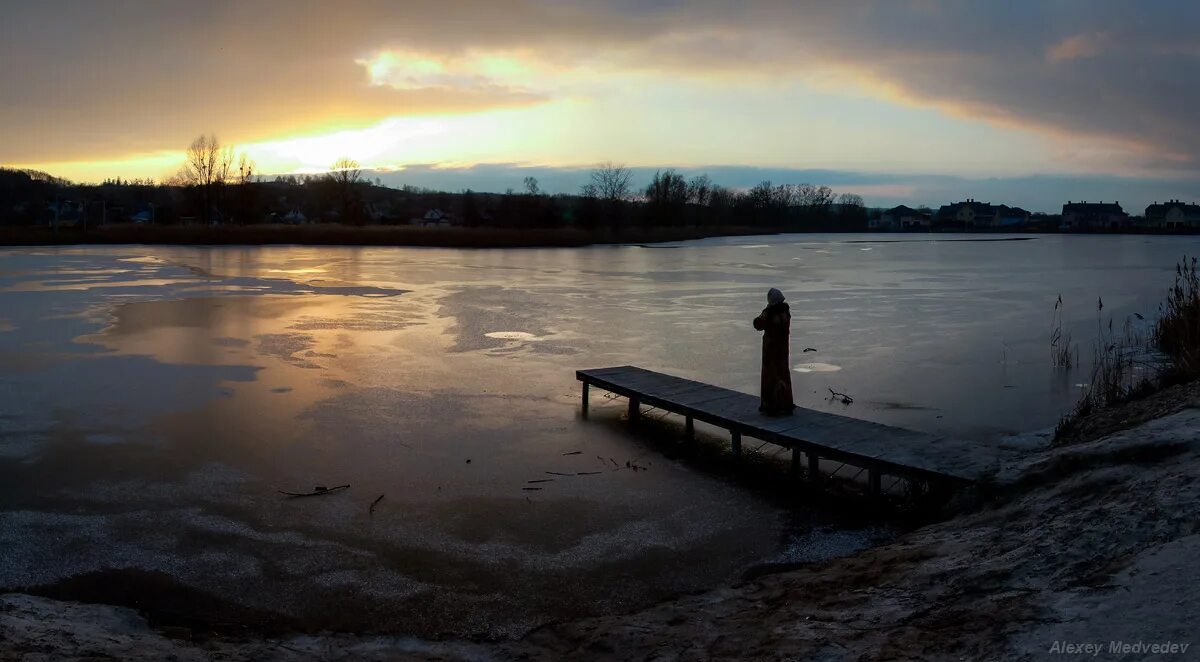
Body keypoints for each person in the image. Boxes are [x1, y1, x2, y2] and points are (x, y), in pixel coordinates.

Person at [753, 287, 795, 415]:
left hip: (770, 351)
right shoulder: (785, 313)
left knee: (770, 376)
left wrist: (765, 310)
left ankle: (771, 405)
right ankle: (785, 404)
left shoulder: (769, 313)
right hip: (783, 350)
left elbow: (758, 324)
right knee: (783, 375)